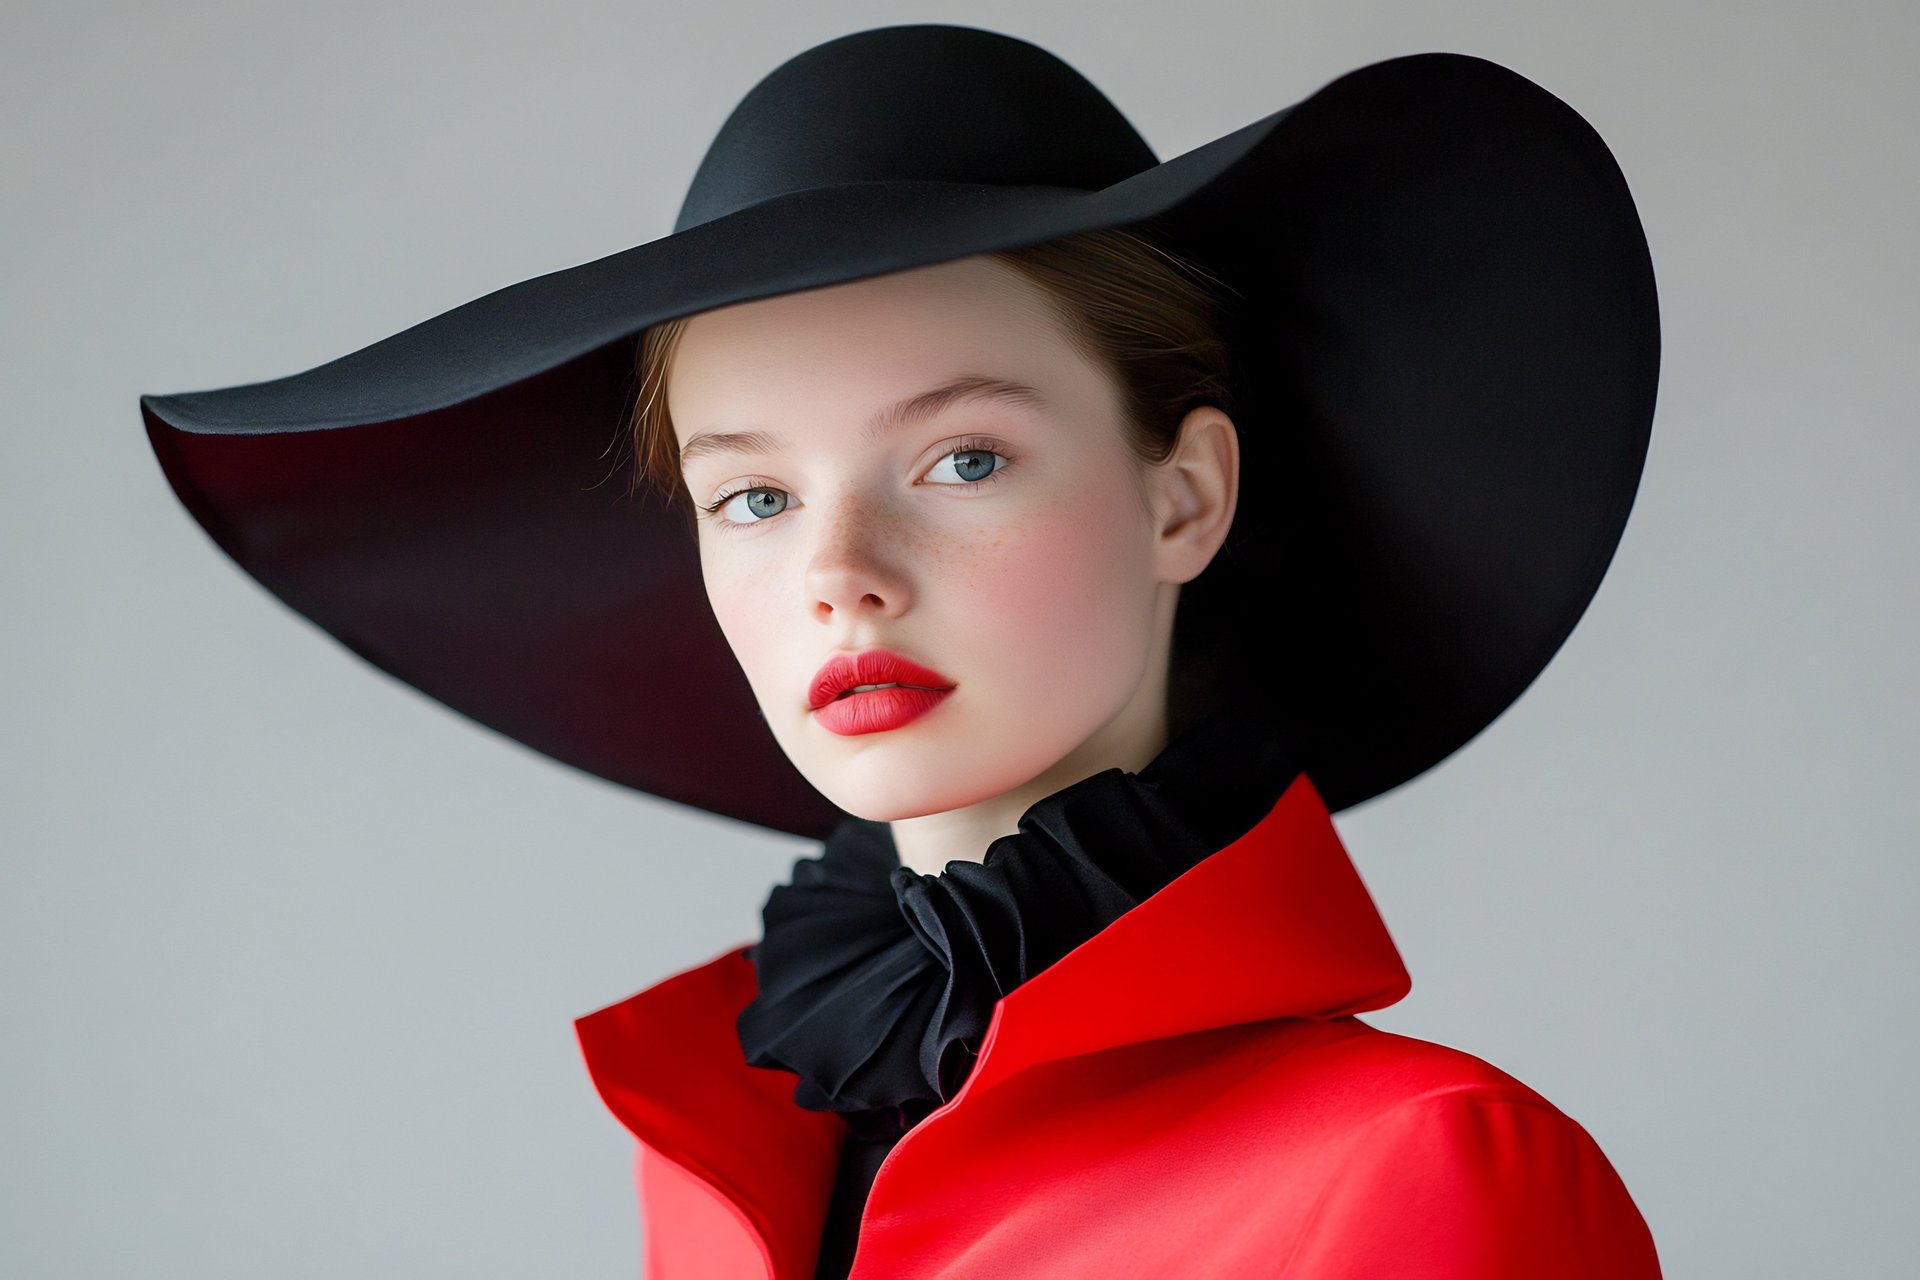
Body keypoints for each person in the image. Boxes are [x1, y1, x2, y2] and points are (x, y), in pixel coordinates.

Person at [139, 23, 1664, 1277]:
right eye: (752, 495)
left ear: (1182, 494)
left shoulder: (1431, 1178)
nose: (841, 577)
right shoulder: (735, 1145)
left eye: (962, 461)